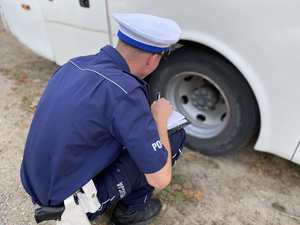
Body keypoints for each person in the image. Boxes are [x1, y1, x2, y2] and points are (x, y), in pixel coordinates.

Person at [20, 13, 185, 225]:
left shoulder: (74, 64)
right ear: (153, 59)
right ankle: (129, 212)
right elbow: (160, 178)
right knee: (176, 136)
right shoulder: (125, 92)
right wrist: (159, 118)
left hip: (36, 181)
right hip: (66, 202)